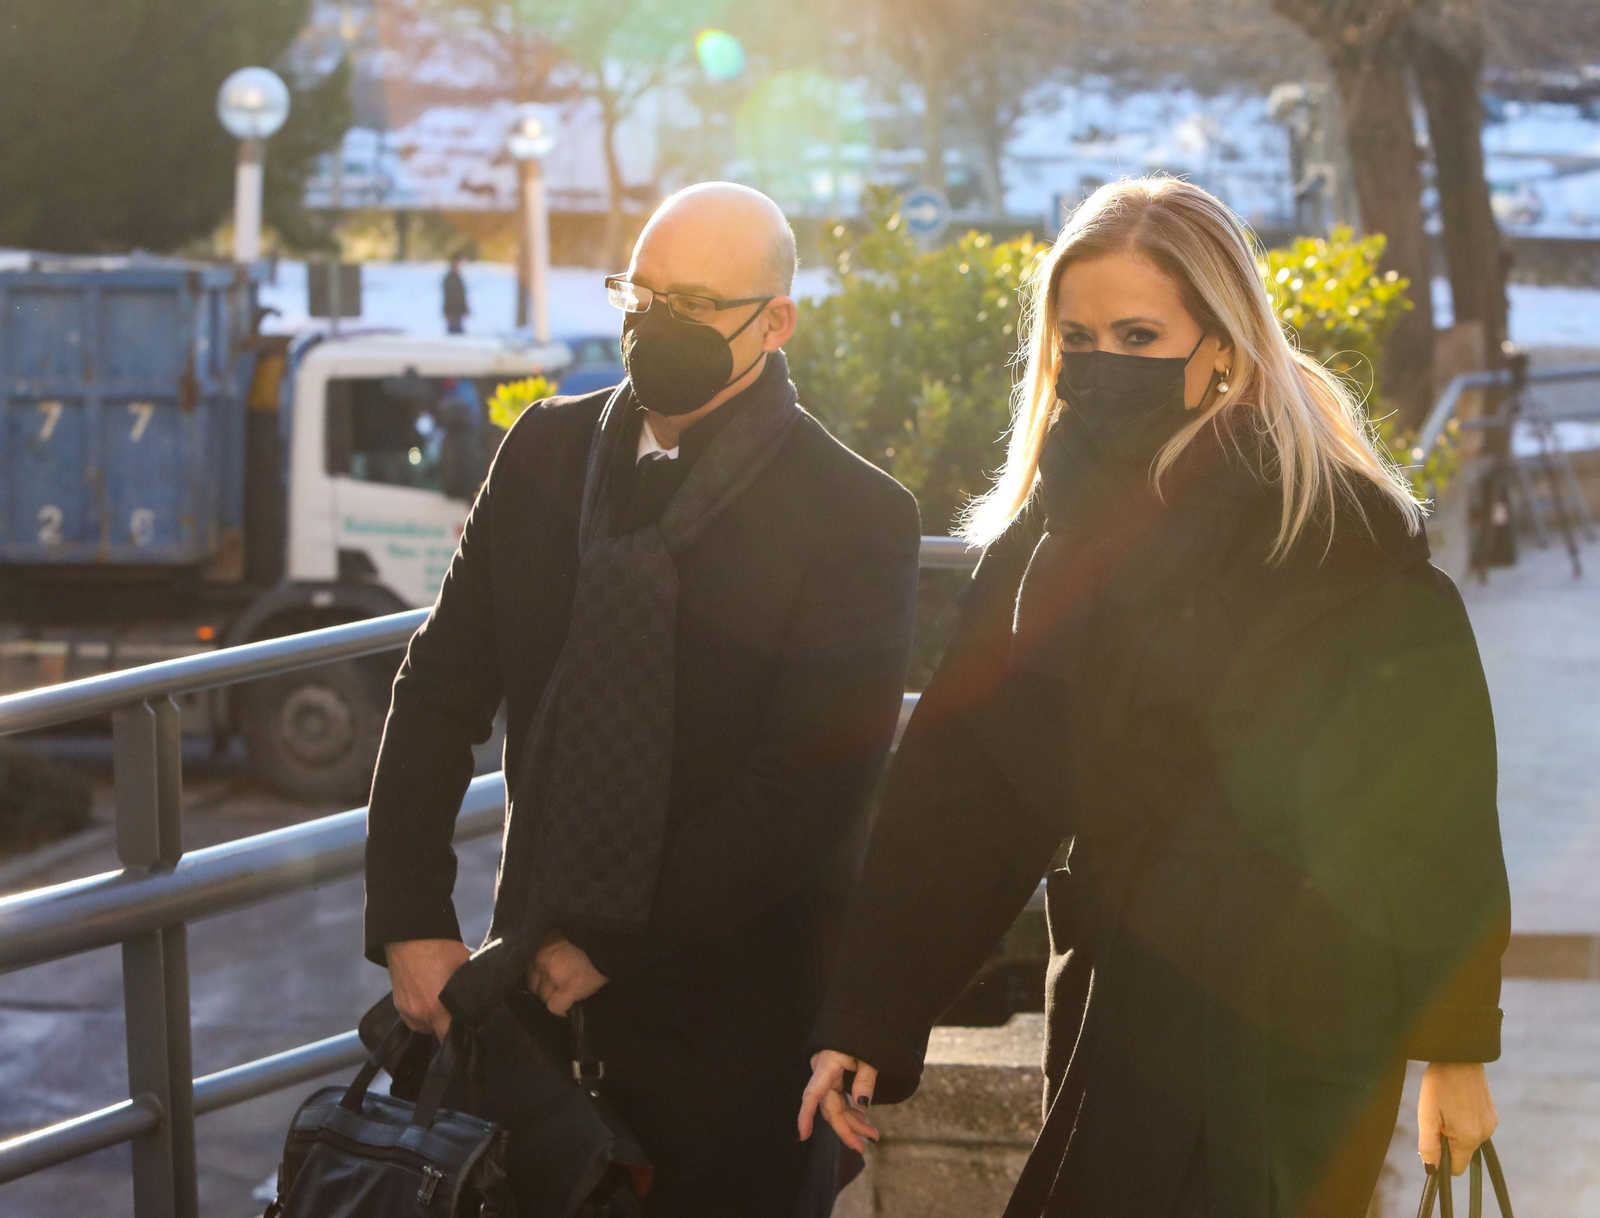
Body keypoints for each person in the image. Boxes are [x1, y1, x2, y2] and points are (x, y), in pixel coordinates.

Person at [799, 177, 1511, 1218]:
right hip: (1120, 993)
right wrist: (870, 1015)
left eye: (1139, 336)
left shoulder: (1333, 534)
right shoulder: (1045, 545)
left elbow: (1429, 809)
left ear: (1221, 345)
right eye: (1078, 339)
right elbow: (963, 796)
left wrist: (1455, 1052)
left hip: (1303, 1021)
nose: (1103, 365)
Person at [366, 182, 921, 1216]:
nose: (657, 325)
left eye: (697, 305)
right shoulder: (544, 451)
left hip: (735, 1034)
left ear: (776, 322)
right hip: (530, 1009)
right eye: (642, 294)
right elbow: (439, 688)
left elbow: (810, 783)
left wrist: (612, 943)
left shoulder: (854, 514)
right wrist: (409, 918)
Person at [442, 255, 469, 333]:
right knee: (454, 334)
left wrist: (464, 309)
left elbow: (461, 296)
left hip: (458, 312)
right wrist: (449, 313)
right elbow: (450, 297)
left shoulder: (457, 277)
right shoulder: (450, 278)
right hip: (453, 312)